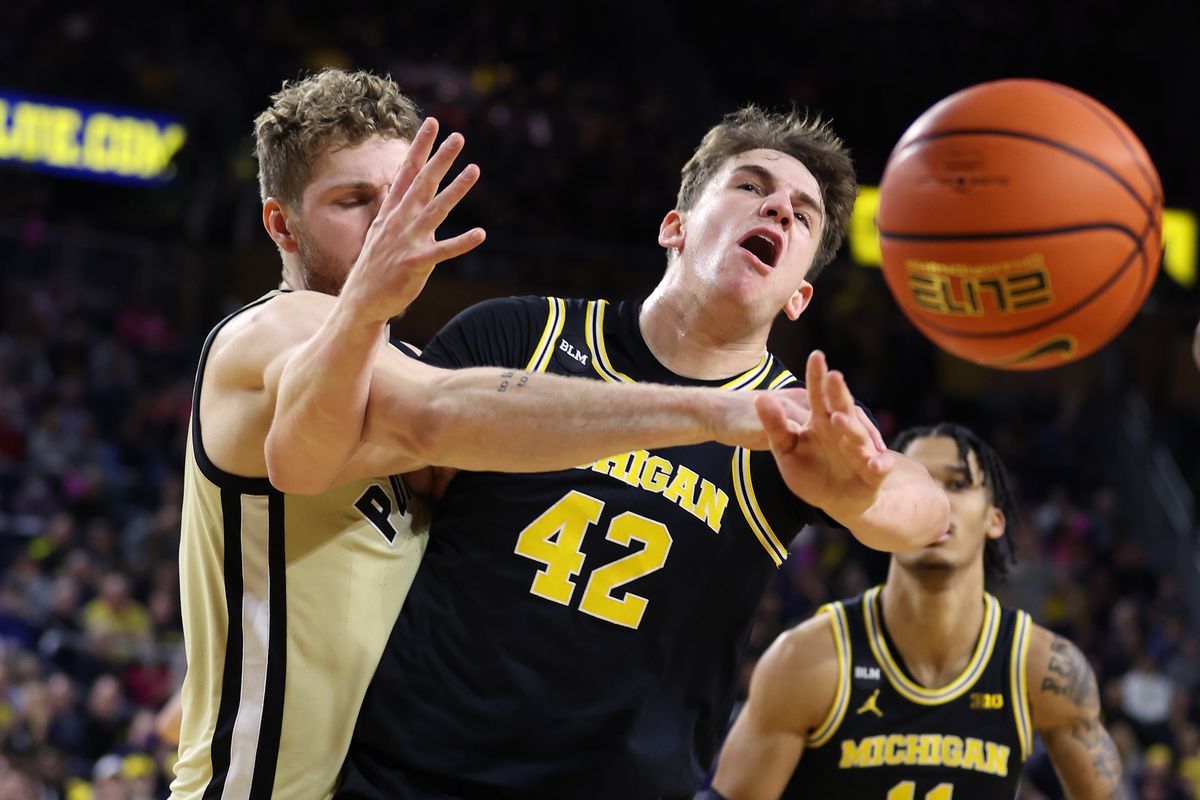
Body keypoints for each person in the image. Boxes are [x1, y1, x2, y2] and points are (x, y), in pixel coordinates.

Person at [170, 69, 814, 800]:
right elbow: (426, 415)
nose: (391, 224)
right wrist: (704, 410)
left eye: (404, 197)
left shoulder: (400, 364)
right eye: (354, 203)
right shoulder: (273, 329)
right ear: (282, 226)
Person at [339, 106, 951, 799]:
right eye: (750, 187)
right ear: (675, 227)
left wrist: (862, 493)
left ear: (799, 298)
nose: (779, 208)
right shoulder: (522, 333)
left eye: (803, 216)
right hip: (410, 778)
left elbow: (925, 510)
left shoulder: (795, 423)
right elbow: (386, 462)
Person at [706, 422, 1127, 800]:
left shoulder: (1043, 669)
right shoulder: (808, 660)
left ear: (995, 520)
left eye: (958, 484)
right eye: (917, 483)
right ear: (881, 504)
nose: (937, 501)